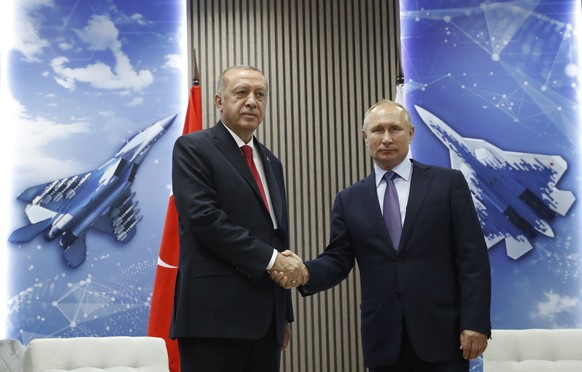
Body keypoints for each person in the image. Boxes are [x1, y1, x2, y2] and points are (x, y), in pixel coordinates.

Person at [272, 99, 491, 372]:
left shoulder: (448, 184)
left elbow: (473, 259)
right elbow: (338, 259)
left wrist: (475, 322)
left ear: (410, 133)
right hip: (384, 341)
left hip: (443, 335)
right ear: (365, 137)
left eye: (395, 129)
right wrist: (305, 271)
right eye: (377, 130)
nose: (386, 138)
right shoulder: (349, 199)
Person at [170, 65, 306, 372]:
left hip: (265, 324)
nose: (252, 101)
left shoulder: (271, 161)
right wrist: (272, 260)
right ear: (219, 101)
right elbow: (204, 219)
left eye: (260, 94)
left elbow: (276, 236)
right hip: (213, 321)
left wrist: (282, 314)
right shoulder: (193, 148)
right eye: (241, 93)